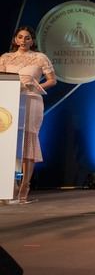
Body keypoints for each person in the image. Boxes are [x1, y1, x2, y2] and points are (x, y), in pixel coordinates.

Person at [0, 26, 56, 204]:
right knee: (7, 143)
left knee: (27, 142)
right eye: (20, 37)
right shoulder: (5, 57)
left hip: (31, 100)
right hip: (8, 103)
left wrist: (36, 87)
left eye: (27, 38)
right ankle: (8, 187)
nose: (23, 41)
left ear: (32, 41)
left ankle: (24, 187)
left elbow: (52, 80)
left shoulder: (40, 58)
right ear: (15, 39)